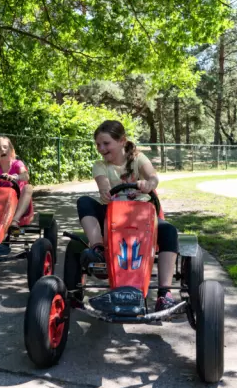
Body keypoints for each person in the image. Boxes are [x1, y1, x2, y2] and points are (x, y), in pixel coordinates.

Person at [76, 120, 180, 311]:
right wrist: (105, 192)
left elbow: (153, 176)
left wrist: (148, 184)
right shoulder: (100, 165)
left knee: (169, 231)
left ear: (122, 141)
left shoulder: (138, 159)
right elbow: (103, 183)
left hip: (142, 214)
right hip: (113, 215)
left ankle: (164, 293)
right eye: (98, 144)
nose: (101, 148)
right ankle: (98, 249)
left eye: (106, 143)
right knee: (84, 202)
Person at [0, 136, 33, 231]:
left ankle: (15, 220)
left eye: (5, 147)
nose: (2, 150)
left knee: (28, 187)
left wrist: (15, 177)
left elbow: (25, 176)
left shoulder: (17, 164)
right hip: (1, 205)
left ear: (12, 151)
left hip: (19, 204)